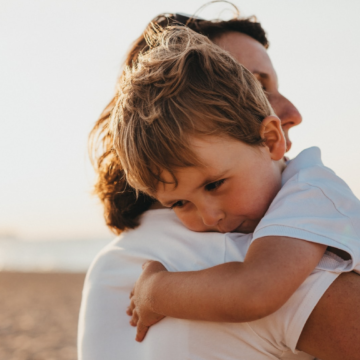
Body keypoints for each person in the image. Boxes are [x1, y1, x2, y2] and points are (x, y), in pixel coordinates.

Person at [78, 11, 360, 360]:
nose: (294, 111)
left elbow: (254, 288)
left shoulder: (114, 265)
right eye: (255, 84)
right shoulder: (230, 250)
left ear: (268, 139)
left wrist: (156, 290)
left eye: (214, 184)